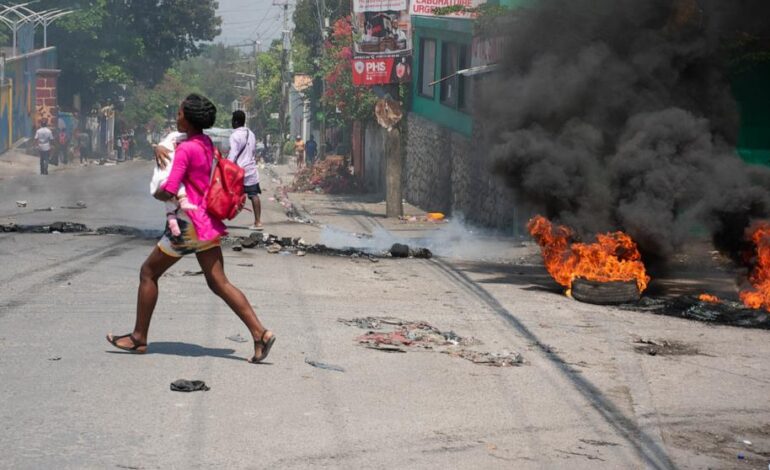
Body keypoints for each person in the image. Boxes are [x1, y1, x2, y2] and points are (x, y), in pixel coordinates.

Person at [106, 94, 275, 363]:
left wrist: (157, 191)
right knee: (219, 282)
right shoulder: (205, 143)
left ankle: (139, 337)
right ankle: (260, 333)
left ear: (189, 117)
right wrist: (155, 148)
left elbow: (170, 189)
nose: (176, 117)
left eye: (179, 113)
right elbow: (171, 142)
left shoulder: (185, 150)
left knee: (148, 273)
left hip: (187, 225)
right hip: (206, 222)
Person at [150, 131, 197, 237]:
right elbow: (163, 145)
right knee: (175, 192)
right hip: (173, 183)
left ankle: (172, 224)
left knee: (170, 204)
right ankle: (173, 230)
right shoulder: (175, 140)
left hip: (167, 185)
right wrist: (159, 147)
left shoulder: (196, 141)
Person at [229, 110, 262, 230]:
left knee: (226, 193)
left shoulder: (234, 135)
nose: (231, 122)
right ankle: (258, 222)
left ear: (236, 122)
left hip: (238, 171)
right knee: (254, 195)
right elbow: (253, 150)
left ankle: (219, 218)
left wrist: (227, 166)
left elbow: (233, 154)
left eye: (232, 120)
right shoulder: (251, 134)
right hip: (251, 169)